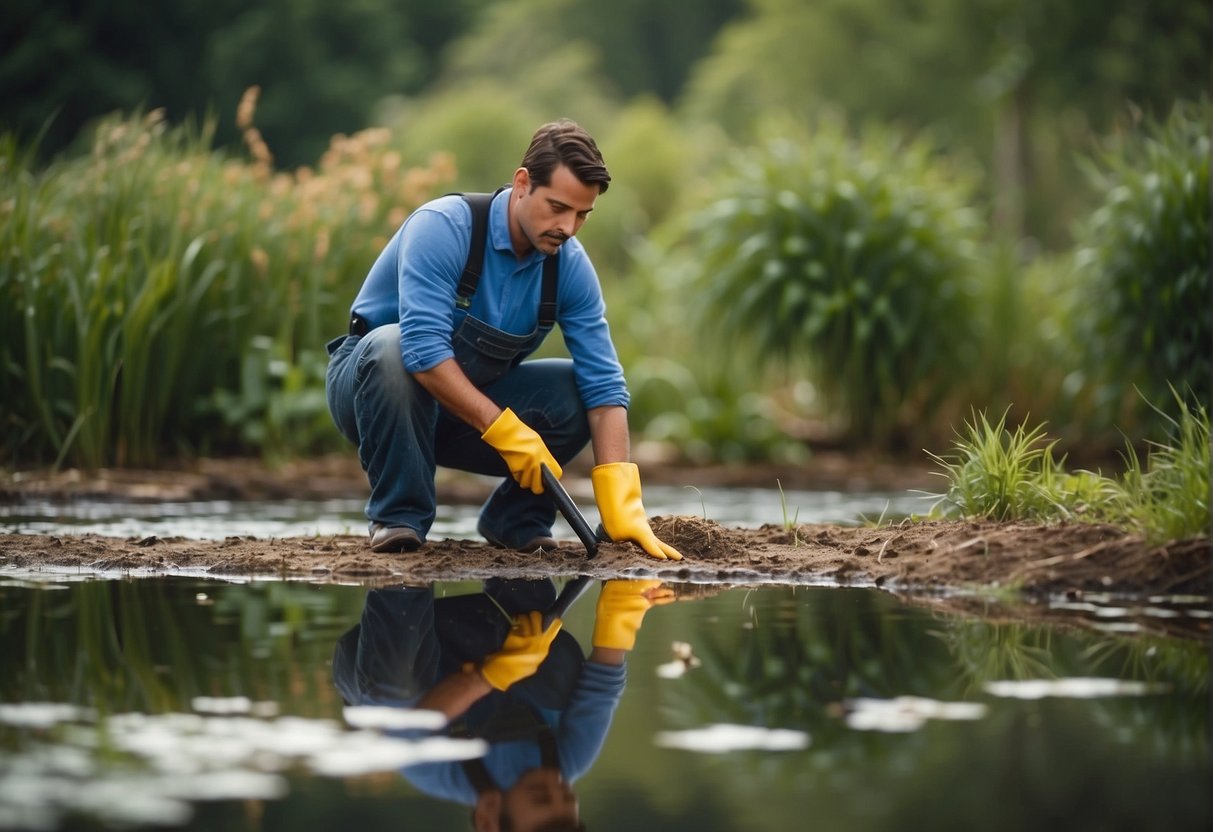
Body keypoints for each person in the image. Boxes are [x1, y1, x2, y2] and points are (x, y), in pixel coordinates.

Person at [325, 119, 681, 560]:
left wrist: (621, 498)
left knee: (577, 390)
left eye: (582, 215)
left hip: (464, 413)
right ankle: (399, 519)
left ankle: (516, 520)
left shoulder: (568, 266)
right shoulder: (444, 228)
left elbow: (605, 385)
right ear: (522, 184)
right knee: (394, 347)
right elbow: (423, 351)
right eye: (557, 207)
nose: (568, 227)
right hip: (374, 395)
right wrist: (507, 431)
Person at [331, 577, 675, 831]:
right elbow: (602, 684)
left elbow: (402, 731)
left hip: (392, 652)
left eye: (541, 797)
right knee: (559, 672)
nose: (556, 784)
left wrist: (487, 678)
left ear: (488, 817)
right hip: (492, 630)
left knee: (392, 706)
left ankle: (402, 573)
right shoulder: (570, 761)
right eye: (568, 797)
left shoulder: (436, 774)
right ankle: (520, 530)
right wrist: (622, 612)